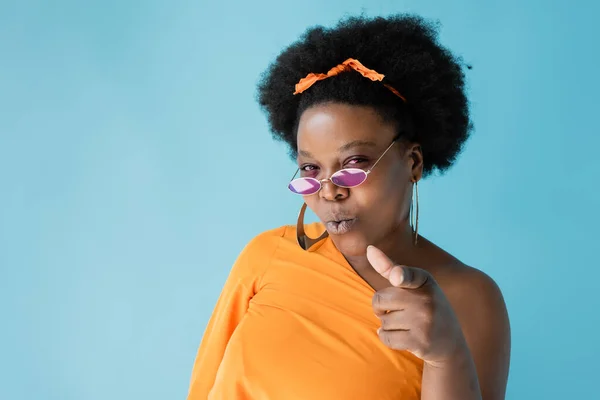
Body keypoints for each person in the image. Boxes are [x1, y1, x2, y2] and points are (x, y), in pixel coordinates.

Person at [186, 13, 511, 400]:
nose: (329, 192)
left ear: (413, 163)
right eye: (310, 168)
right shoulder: (265, 257)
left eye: (354, 163)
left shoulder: (469, 297)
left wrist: (445, 355)